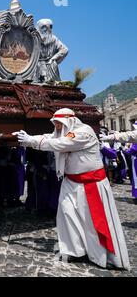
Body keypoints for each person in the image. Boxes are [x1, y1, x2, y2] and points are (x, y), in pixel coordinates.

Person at [14, 108, 130, 270]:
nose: (57, 127)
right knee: (67, 214)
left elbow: (60, 143)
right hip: (71, 182)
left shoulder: (84, 132)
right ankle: (75, 250)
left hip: (91, 184)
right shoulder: (64, 133)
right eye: (55, 124)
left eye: (59, 124)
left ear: (69, 121)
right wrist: (28, 137)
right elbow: (50, 137)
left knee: (93, 222)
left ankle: (103, 255)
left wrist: (31, 141)